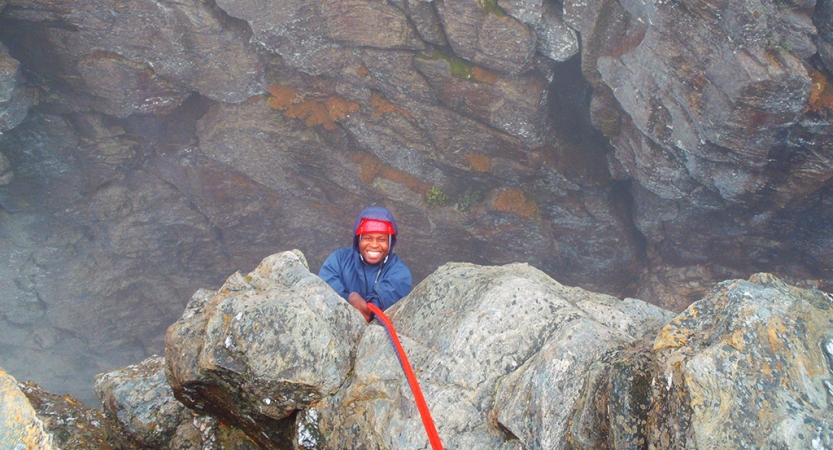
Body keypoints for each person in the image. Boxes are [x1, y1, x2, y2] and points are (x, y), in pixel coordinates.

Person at [319, 206, 412, 322]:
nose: (374, 245)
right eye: (368, 238)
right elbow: (326, 286)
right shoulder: (338, 260)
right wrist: (349, 301)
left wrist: (371, 308)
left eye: (382, 239)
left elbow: (391, 292)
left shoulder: (400, 272)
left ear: (390, 242)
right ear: (358, 240)